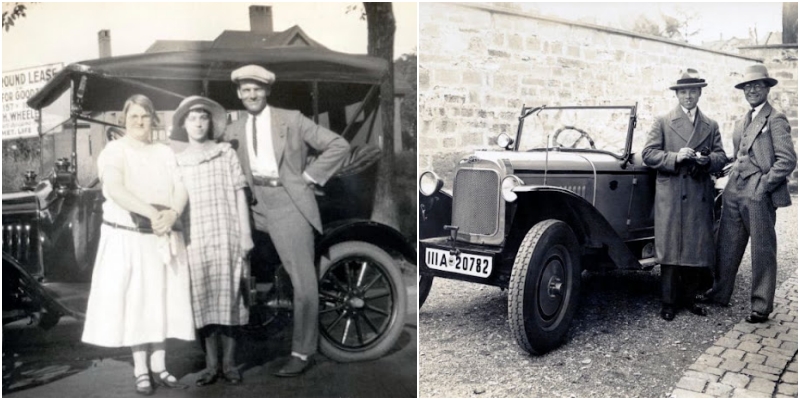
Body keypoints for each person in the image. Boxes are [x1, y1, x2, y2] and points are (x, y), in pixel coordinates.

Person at [223, 65, 350, 376]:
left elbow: (339, 145)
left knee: (303, 281)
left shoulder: (291, 120)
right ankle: (225, 355)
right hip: (251, 205)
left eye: (257, 89)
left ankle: (302, 352)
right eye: (245, 90)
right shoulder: (233, 129)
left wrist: (308, 177)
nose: (251, 94)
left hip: (288, 202)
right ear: (239, 94)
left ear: (267, 91)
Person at [81, 94, 194, 395]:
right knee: (137, 303)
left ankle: (160, 364)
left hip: (163, 233)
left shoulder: (165, 152)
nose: (140, 122)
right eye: (134, 117)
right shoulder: (114, 151)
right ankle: (141, 368)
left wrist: (172, 213)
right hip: (128, 238)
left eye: (145, 116)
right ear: (124, 120)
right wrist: (153, 213)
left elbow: (181, 185)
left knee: (161, 301)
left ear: (153, 119)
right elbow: (115, 189)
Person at [699, 64, 797, 323]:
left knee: (763, 249)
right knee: (727, 243)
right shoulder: (743, 119)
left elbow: (787, 160)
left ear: (767, 88)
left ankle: (761, 306)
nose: (752, 90)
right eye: (748, 86)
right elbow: (739, 154)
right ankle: (719, 293)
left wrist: (764, 185)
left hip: (758, 190)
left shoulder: (775, 118)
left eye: (757, 86)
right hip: (735, 188)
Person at [170, 96, 254, 386]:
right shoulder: (178, 160)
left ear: (211, 122)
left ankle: (230, 364)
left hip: (226, 234)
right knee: (202, 299)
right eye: (192, 118)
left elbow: (239, 192)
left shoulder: (225, 153)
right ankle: (211, 364)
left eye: (203, 117)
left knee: (229, 295)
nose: (198, 123)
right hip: (195, 238)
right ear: (183, 123)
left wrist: (245, 233)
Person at [642, 68, 727, 321]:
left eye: (692, 91)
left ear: (700, 93)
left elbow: (721, 157)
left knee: (694, 248)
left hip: (698, 192)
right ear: (677, 95)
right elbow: (648, 154)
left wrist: (706, 160)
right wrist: (675, 157)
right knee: (670, 251)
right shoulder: (663, 121)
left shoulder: (710, 125)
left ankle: (690, 300)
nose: (688, 96)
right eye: (683, 92)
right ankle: (668, 303)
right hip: (672, 194)